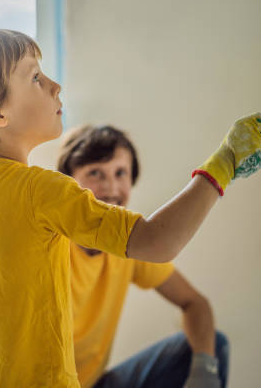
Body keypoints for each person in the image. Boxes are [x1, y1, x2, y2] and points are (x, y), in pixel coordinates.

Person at [0, 29, 261, 388]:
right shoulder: (41, 191)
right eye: (35, 77)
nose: (55, 85)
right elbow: (157, 241)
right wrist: (225, 162)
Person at [58, 125, 229, 388]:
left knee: (212, 346)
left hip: (93, 385)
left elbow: (196, 304)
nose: (111, 187)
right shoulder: (49, 242)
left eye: (120, 173)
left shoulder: (127, 246)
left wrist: (204, 373)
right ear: (68, 181)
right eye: (95, 173)